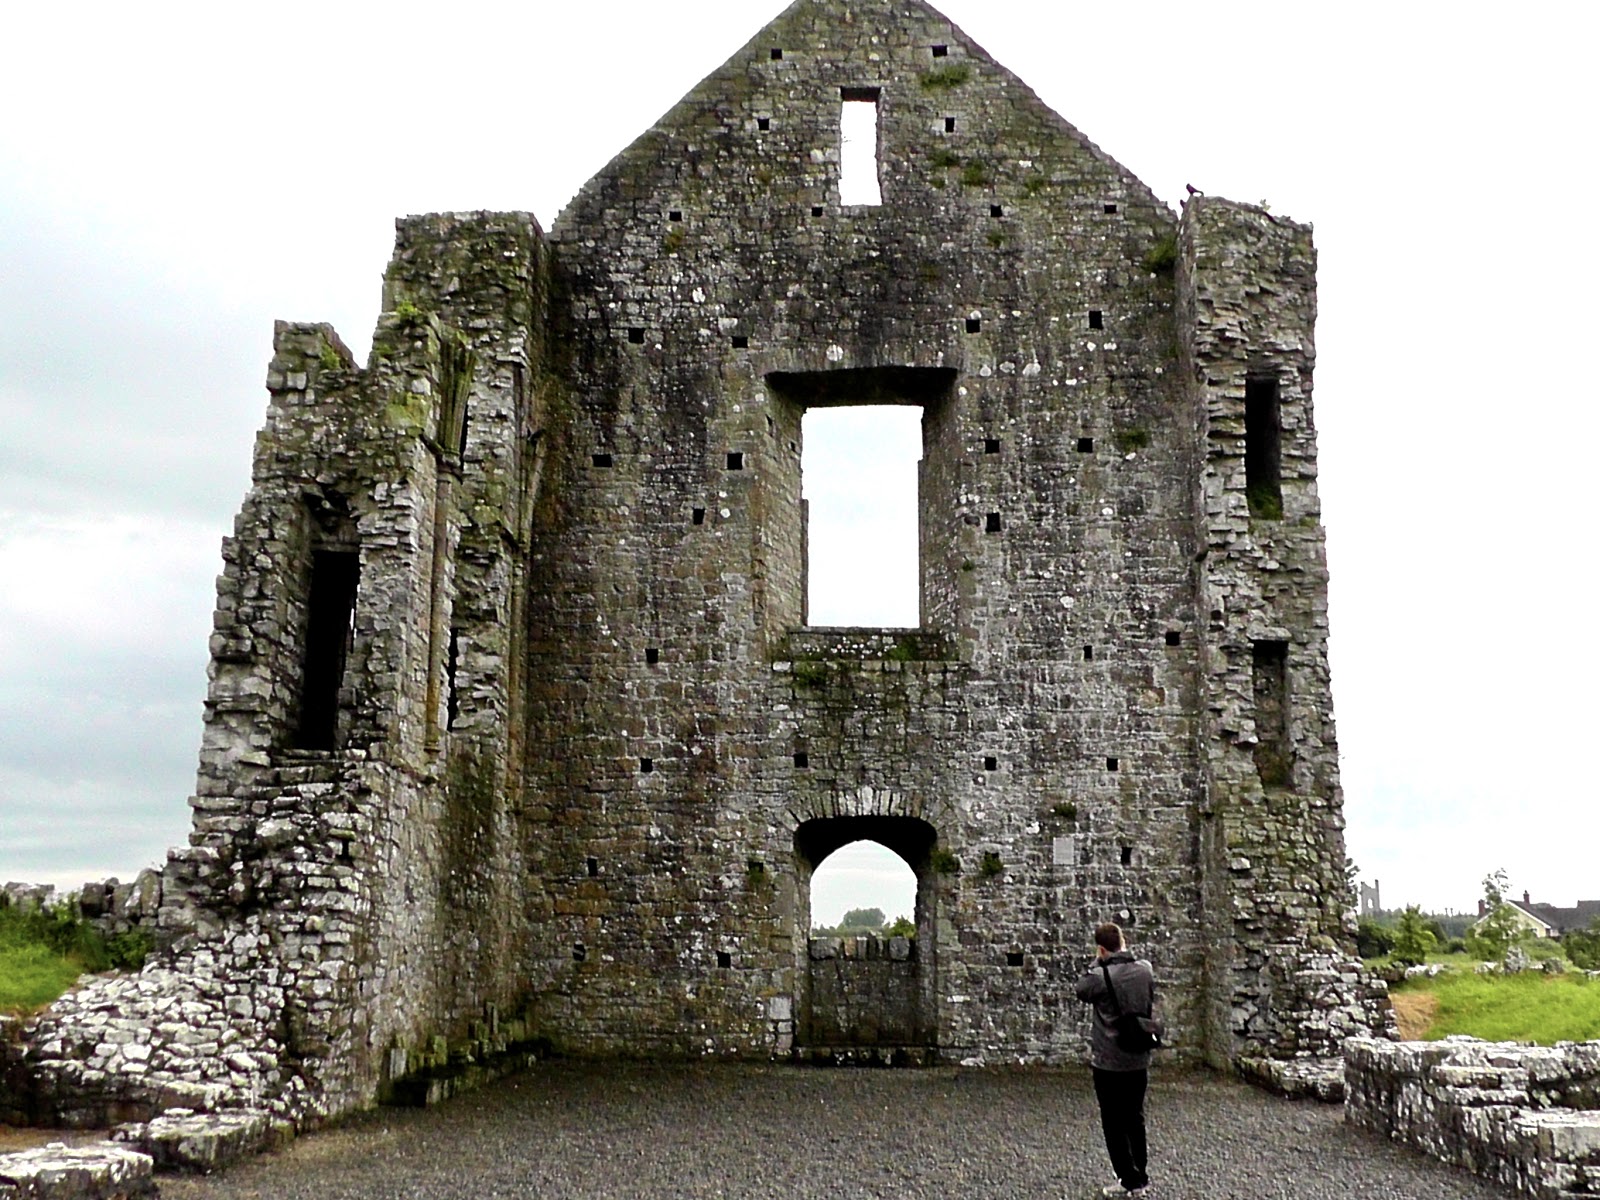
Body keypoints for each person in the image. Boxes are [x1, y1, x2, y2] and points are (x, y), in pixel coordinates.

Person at [1074, 922, 1157, 1197]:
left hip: (1109, 1060)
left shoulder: (1099, 976)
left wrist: (1098, 960)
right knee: (1135, 1118)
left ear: (1100, 949)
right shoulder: (1144, 969)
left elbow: (1081, 989)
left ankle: (1128, 1178)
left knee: (1113, 1122)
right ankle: (1140, 1176)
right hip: (1138, 1056)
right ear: (1124, 942)